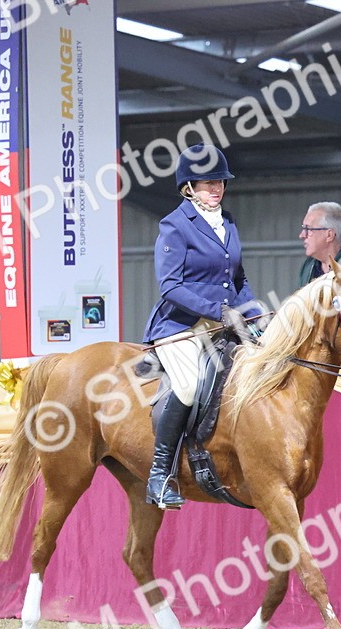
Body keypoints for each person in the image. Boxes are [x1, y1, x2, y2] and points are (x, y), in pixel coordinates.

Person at [141, 144, 259, 510]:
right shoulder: (174, 226)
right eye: (208, 183)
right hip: (179, 325)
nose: (217, 189)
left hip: (223, 322)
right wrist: (219, 311)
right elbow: (171, 287)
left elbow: (237, 278)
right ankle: (160, 476)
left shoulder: (229, 223)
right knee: (189, 386)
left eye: (220, 182)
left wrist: (254, 313)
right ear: (189, 187)